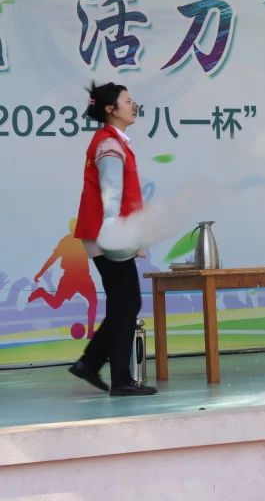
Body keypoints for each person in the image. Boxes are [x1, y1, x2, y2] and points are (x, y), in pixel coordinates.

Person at [68, 81, 157, 396]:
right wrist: (112, 227)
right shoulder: (109, 144)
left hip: (108, 233)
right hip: (108, 234)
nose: (134, 105)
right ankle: (117, 378)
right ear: (110, 109)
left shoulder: (113, 141)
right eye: (127, 101)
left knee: (125, 302)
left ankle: (91, 364)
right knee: (127, 302)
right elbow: (111, 189)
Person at [29, 218, 97, 338]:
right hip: (70, 278)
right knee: (56, 304)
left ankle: (90, 332)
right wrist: (40, 273)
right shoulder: (66, 241)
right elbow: (53, 258)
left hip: (83, 278)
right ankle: (41, 292)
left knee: (93, 301)